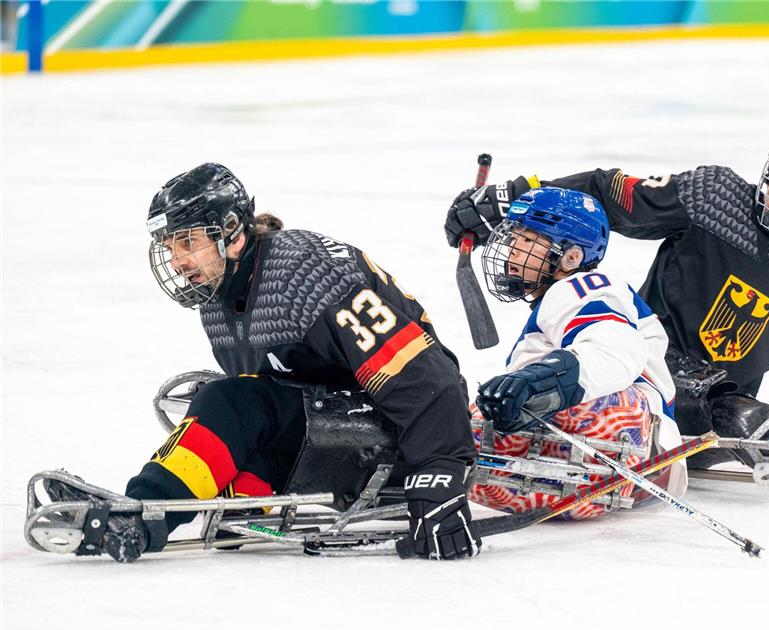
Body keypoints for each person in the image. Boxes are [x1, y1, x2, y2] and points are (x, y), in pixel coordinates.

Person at [48, 162, 480, 562]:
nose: (178, 261)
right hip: (341, 427)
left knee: (227, 401)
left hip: (411, 429)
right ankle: (234, 499)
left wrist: (440, 470)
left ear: (232, 233)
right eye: (169, 245)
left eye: (188, 242)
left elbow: (423, 371)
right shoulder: (217, 300)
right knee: (229, 415)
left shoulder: (303, 271)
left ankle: (144, 515)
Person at [444, 127, 769, 472]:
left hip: (713, 409)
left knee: (744, 418)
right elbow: (608, 195)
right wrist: (514, 202)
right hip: (641, 360)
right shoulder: (712, 196)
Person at [469, 186, 686, 518]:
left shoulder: (584, 286)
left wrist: (537, 380)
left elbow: (616, 350)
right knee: (483, 409)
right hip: (621, 460)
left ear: (571, 258)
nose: (513, 249)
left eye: (528, 241)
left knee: (456, 424)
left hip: (629, 449)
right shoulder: (563, 298)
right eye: (515, 238)